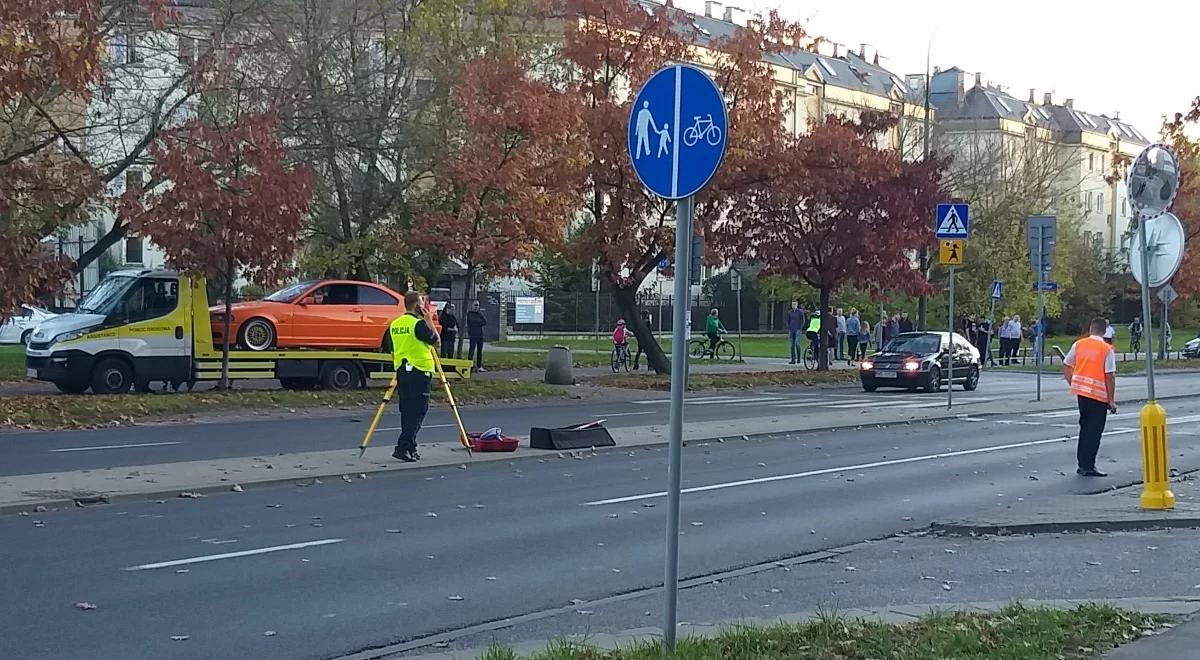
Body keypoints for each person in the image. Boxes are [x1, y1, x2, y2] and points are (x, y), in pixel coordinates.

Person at [1062, 317, 1117, 477]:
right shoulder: (1106, 349)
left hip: (1082, 394)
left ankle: (1082, 464)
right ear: (1105, 331)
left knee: (1085, 429)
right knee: (1094, 432)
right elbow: (1109, 376)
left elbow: (1066, 364)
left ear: (1091, 329)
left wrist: (1073, 382)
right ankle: (1088, 466)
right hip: (1098, 396)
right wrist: (1111, 400)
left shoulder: (1079, 344)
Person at [389, 292, 440, 462]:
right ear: (417, 305)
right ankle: (403, 446)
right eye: (422, 303)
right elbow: (436, 341)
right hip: (419, 370)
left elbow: (392, 348)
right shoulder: (418, 324)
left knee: (407, 411)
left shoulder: (395, 324)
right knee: (418, 411)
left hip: (402, 370)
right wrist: (429, 320)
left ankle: (410, 447)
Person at [466, 300, 487, 372]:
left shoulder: (480, 314)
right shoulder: (470, 313)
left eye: (477, 305)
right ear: (472, 306)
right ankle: (470, 366)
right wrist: (478, 322)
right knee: (471, 350)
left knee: (479, 351)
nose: (476, 307)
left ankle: (479, 366)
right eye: (475, 305)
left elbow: (484, 322)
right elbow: (471, 321)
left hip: (480, 335)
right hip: (473, 335)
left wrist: (477, 322)